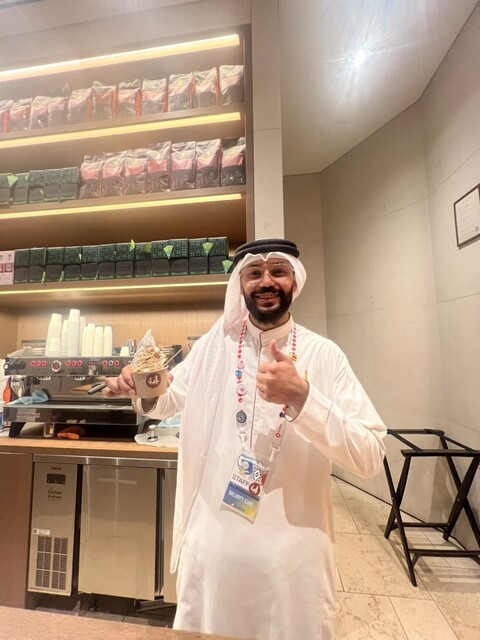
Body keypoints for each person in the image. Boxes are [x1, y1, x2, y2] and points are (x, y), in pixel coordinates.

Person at [105, 238, 387, 640]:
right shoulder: (212, 347)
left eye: (278, 271)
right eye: (254, 273)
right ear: (240, 283)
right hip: (215, 550)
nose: (266, 281)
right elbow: (166, 401)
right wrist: (142, 386)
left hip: (293, 562)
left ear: (295, 281)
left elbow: (370, 455)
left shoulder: (324, 355)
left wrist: (303, 398)